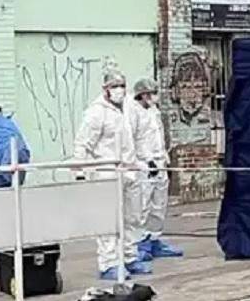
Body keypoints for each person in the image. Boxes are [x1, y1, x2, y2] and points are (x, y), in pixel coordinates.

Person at [73, 70, 151, 281]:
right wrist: (81, 171)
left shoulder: (128, 109)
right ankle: (108, 263)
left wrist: (142, 162)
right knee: (108, 221)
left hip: (129, 172)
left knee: (132, 218)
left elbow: (137, 136)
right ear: (105, 89)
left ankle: (129, 257)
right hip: (106, 174)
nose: (119, 89)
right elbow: (83, 143)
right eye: (114, 85)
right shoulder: (96, 113)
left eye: (122, 84)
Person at [129, 78, 183, 260]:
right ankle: (140, 242)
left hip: (159, 162)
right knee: (143, 205)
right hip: (144, 166)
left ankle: (154, 239)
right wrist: (144, 160)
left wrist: (164, 157)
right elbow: (132, 140)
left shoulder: (154, 111)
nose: (155, 97)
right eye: (152, 93)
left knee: (159, 205)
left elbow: (159, 135)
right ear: (143, 94)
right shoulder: (132, 112)